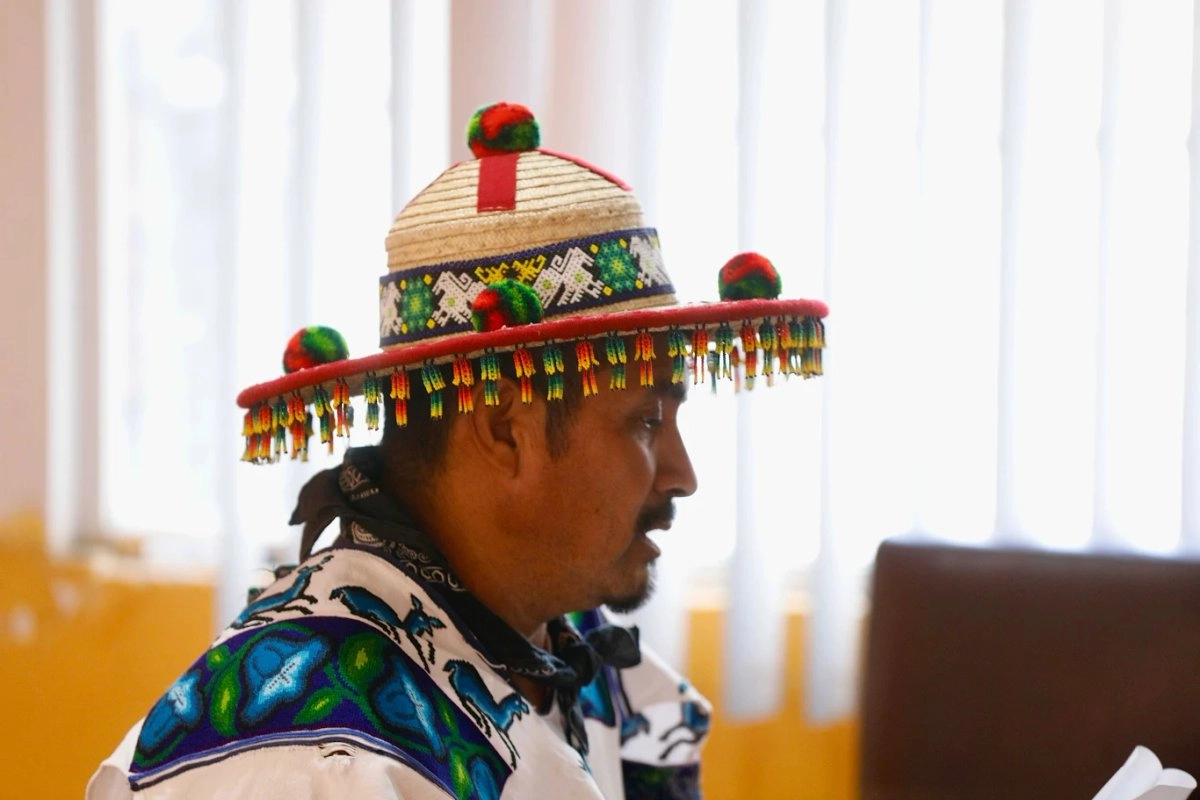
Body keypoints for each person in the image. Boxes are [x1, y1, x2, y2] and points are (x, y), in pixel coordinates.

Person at [87, 102, 827, 799]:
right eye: (643, 422)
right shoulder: (308, 759)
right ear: (506, 431)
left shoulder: (580, 665)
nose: (684, 476)